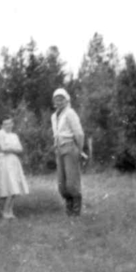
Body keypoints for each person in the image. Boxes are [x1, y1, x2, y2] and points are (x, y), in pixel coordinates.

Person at [51, 87, 87, 216]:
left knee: (72, 182)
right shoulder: (54, 116)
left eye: (61, 99)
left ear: (67, 100)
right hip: (59, 149)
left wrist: (79, 150)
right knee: (62, 184)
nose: (59, 102)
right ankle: (69, 212)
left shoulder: (70, 113)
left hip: (70, 147)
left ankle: (75, 213)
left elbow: (79, 133)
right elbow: (56, 134)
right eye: (56, 99)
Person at [0, 117, 29, 219]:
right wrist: (13, 148)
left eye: (10, 123)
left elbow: (20, 149)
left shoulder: (14, 135)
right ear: (1, 126)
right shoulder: (0, 133)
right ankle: (5, 211)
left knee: (14, 187)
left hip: (13, 161)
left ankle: (10, 211)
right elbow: (3, 148)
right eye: (5, 124)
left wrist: (11, 148)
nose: (8, 126)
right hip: (4, 162)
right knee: (7, 187)